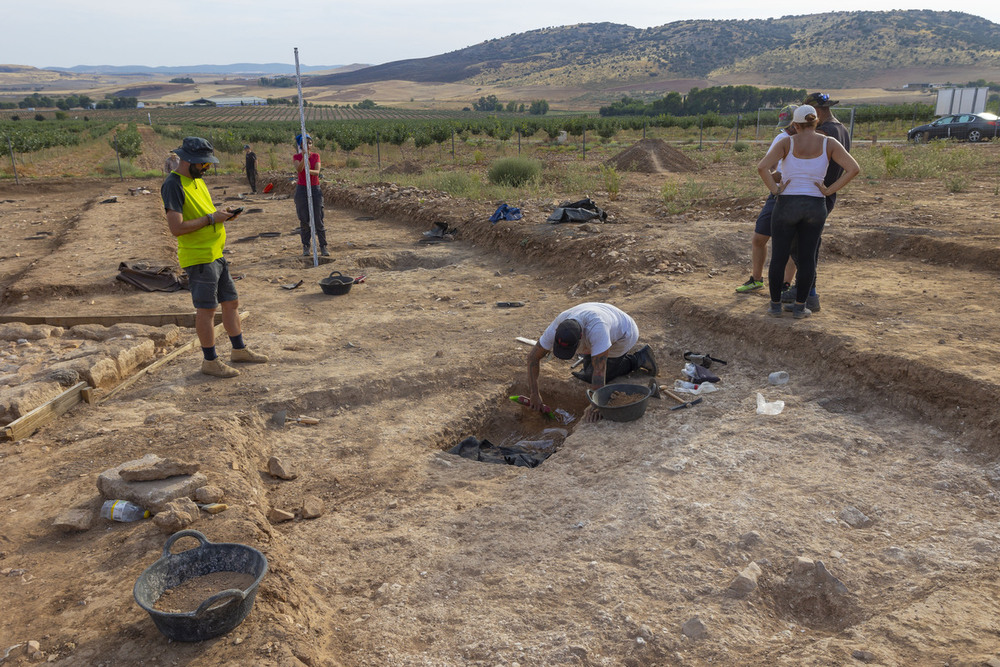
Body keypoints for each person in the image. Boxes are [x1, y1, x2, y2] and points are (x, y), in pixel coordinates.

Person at [161, 137, 270, 378]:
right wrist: (212, 219)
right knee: (207, 310)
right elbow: (176, 228)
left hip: (216, 253)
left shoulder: (196, 181)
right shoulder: (173, 184)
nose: (207, 168)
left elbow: (203, 213)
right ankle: (210, 361)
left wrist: (222, 214)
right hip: (199, 258)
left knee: (231, 303)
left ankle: (239, 350)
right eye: (203, 164)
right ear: (187, 160)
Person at [757, 105, 859, 319]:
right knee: (807, 258)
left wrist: (775, 190)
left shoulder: (787, 142)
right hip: (815, 205)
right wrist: (829, 190)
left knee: (779, 257)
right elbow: (853, 168)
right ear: (816, 122)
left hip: (787, 204)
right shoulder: (829, 143)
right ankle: (800, 307)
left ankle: (775, 305)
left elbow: (762, 167)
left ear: (795, 125)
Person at [781, 92, 853, 311]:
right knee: (808, 246)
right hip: (824, 195)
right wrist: (831, 190)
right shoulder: (842, 129)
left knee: (803, 248)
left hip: (812, 195)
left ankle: (808, 293)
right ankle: (805, 291)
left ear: (817, 112)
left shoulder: (824, 132)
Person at [526, 303, 658, 423]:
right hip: (604, 317)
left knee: (592, 375)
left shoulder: (597, 329)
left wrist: (596, 404)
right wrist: (534, 393)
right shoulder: (558, 325)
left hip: (624, 333)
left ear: (581, 336)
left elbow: (600, 370)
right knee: (589, 370)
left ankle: (639, 358)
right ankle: (594, 355)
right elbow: (532, 358)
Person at [736, 104, 799, 294]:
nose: (788, 130)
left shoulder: (810, 140)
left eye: (790, 126)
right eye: (785, 127)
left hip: (800, 197)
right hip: (778, 195)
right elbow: (768, 166)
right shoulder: (782, 138)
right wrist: (775, 179)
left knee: (793, 244)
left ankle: (785, 284)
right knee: (759, 237)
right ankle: (756, 279)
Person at [293, 134, 328, 257]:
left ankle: (323, 246)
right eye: (305, 143)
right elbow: (299, 169)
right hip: (302, 189)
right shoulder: (296, 157)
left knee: (318, 219)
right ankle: (306, 246)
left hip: (314, 189)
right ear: (300, 145)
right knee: (304, 220)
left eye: (309, 143)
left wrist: (308, 170)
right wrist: (304, 158)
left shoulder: (316, 156)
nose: (307, 145)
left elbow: (317, 172)